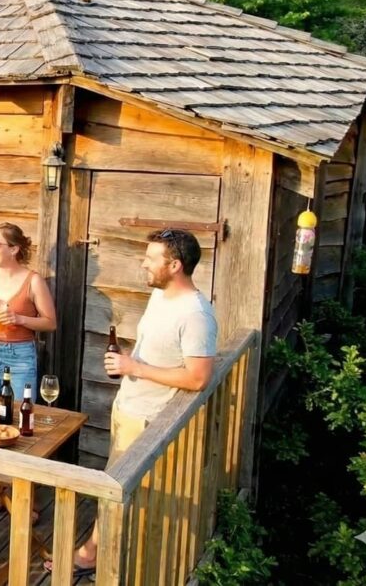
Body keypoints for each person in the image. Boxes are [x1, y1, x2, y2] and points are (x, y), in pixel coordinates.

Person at [49, 229, 218, 578]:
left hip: (150, 420)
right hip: (129, 408)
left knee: (125, 496)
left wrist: (134, 367)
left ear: (175, 265)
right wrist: (130, 362)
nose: (143, 262)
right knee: (115, 487)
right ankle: (96, 553)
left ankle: (104, 560)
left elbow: (199, 377)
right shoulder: (161, 297)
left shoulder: (196, 314)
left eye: (151, 258)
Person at [0, 223, 56, 403]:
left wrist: (20, 319)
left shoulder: (34, 281)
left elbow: (50, 323)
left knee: (20, 412)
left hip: (20, 356)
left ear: (14, 249)